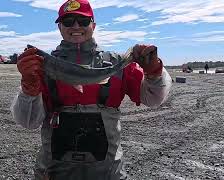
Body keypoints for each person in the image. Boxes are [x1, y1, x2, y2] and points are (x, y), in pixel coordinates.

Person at [11, 0, 172, 179]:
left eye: (83, 21)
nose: (76, 26)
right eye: (68, 21)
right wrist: (29, 87)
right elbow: (27, 122)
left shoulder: (117, 63)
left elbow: (154, 99)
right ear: (59, 27)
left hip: (108, 173)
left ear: (93, 25)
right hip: (53, 172)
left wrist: (154, 72)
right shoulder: (40, 67)